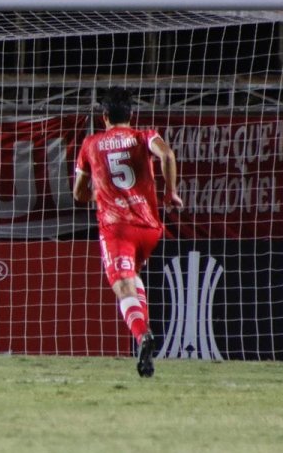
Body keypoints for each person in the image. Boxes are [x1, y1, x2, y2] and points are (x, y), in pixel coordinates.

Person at [72, 87, 182, 378]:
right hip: (150, 228)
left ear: (104, 116)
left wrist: (102, 194)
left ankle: (142, 335)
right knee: (132, 278)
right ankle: (144, 341)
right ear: (131, 115)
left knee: (122, 287)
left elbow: (78, 193)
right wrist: (171, 193)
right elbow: (168, 156)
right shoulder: (144, 136)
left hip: (117, 228)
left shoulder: (90, 144)